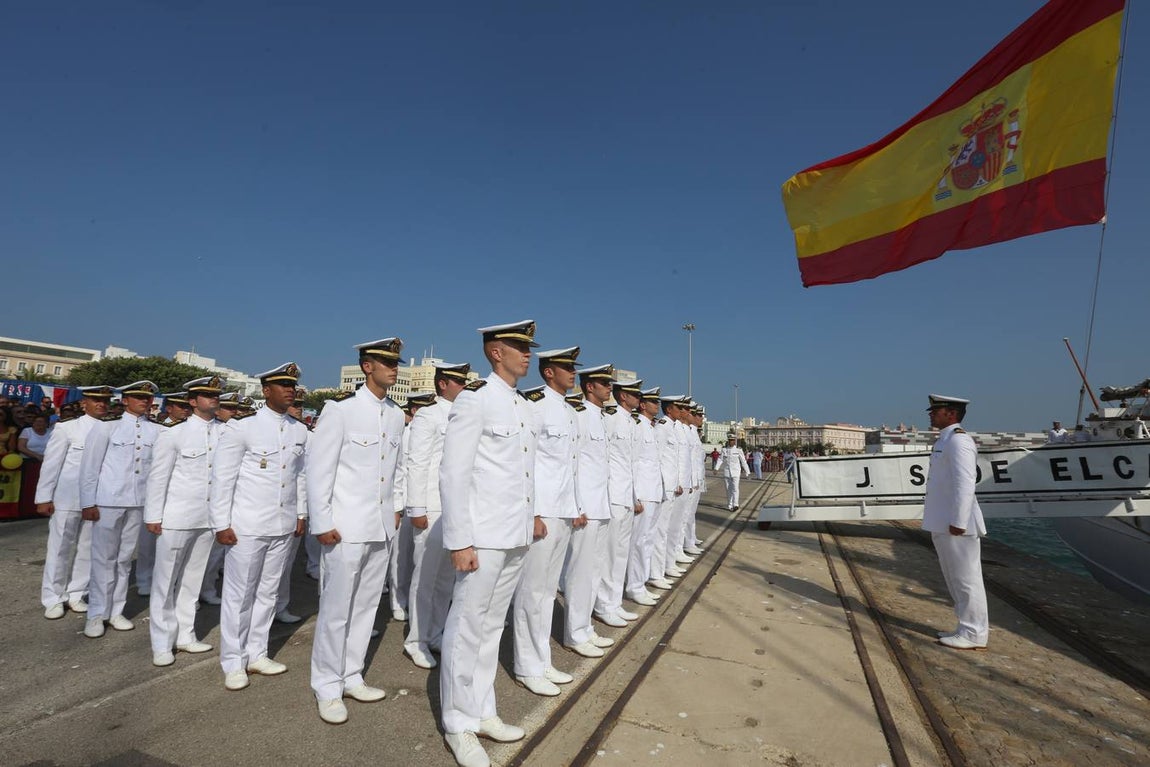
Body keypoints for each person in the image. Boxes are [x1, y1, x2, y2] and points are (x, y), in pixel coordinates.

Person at [439, 320, 539, 767]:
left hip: (513, 535)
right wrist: (460, 540)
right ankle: (458, 722)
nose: (528, 354)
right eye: (519, 347)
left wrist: (532, 518)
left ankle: (483, 710)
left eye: (528, 347)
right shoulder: (473, 403)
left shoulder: (521, 406)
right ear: (496, 352)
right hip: (482, 538)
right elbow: (454, 474)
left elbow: (522, 471)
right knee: (465, 630)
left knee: (490, 630)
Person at [307, 338, 406, 725]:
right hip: (344, 527)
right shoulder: (340, 411)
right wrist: (322, 522)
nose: (393, 368)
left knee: (365, 608)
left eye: (396, 362)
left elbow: (394, 470)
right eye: (386, 362)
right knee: (335, 611)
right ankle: (327, 686)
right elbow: (320, 471)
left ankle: (351, 674)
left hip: (379, 527)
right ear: (367, 366)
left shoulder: (396, 414)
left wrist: (395, 510)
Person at [209, 363, 309, 691]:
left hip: (282, 524)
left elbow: (301, 476)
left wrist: (301, 514)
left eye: (292, 385)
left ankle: (257, 652)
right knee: (240, 594)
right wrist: (220, 523)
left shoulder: (299, 430)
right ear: (266, 391)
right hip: (247, 525)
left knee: (268, 591)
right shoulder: (242, 428)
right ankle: (233, 660)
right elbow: (223, 479)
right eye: (283, 385)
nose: (290, 390)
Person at [511, 347, 582, 697]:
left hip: (564, 509)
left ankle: (541, 659)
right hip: (543, 512)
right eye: (566, 368)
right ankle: (526, 665)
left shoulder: (570, 411)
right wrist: (534, 512)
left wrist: (575, 507)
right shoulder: (534, 405)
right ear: (549, 372)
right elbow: (529, 464)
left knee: (547, 591)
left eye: (573, 367)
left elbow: (570, 467)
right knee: (532, 591)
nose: (573, 373)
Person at [144, 376, 225, 667]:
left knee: (193, 579)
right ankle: (162, 641)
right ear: (192, 401)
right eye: (207, 395)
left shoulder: (225, 432)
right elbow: (159, 477)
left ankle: (186, 634)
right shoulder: (173, 434)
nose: (214, 399)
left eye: (216, 394)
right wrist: (154, 515)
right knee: (165, 581)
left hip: (209, 518)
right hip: (177, 517)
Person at [78, 381, 161, 638]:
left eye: (147, 398)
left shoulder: (157, 431)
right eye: (138, 397)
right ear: (124, 400)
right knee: (103, 558)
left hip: (138, 501)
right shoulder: (107, 428)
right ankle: (96, 614)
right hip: (108, 500)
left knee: (124, 559)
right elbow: (90, 468)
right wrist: (87, 502)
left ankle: (115, 610)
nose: (144, 401)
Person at [404, 362, 471, 670]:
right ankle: (415, 639)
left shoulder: (465, 415)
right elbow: (416, 463)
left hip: (454, 509)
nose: (464, 386)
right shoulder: (429, 416)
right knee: (425, 578)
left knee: (446, 578)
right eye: (458, 381)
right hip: (430, 507)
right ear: (443, 384)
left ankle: (434, 632)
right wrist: (417, 508)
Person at [35, 386, 113, 619]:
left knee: (88, 549)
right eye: (96, 400)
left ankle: (77, 593)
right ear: (83, 404)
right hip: (67, 498)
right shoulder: (66, 428)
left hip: (97, 499)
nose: (101, 404)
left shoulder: (112, 429)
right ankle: (53, 597)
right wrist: (44, 497)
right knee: (59, 548)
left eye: (105, 401)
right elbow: (51, 464)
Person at [923, 394, 989, 651]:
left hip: (956, 524)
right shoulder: (946, 440)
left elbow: (965, 484)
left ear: (950, 413)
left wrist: (959, 522)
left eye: (935, 411)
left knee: (966, 579)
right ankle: (965, 627)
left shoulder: (959, 441)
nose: (930, 414)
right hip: (943, 522)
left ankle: (974, 633)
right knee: (954, 578)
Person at [565, 363, 616, 658]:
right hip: (586, 507)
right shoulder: (580, 416)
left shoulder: (602, 418)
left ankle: (585, 627)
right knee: (580, 572)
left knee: (594, 570)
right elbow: (573, 465)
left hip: (602, 504)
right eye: (604, 384)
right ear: (590, 388)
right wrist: (577, 505)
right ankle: (574, 632)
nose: (609, 388)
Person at [595, 377, 645, 628]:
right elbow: (604, 459)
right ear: (623, 396)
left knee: (621, 553)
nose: (639, 399)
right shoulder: (611, 417)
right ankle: (604, 604)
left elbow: (631, 464)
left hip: (625, 495)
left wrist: (634, 496)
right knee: (610, 554)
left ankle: (614, 603)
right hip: (613, 495)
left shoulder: (630, 422)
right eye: (634, 394)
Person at [625, 386, 666, 605]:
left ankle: (641, 581)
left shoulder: (651, 427)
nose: (657, 406)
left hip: (654, 491)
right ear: (643, 405)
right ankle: (634, 586)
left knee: (648, 540)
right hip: (643, 492)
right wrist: (635, 496)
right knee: (639, 542)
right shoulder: (638, 426)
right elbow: (633, 462)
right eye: (653, 402)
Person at [199, 391, 240, 604]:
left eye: (236, 408)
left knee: (215, 553)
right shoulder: (188, 429)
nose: (234, 412)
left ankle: (207, 588)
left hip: (224, 501)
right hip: (196, 501)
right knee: (192, 556)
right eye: (230, 408)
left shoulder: (229, 430)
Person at [715, 434, 750, 511]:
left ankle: (736, 504)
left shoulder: (738, 450)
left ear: (735, 441)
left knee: (735, 488)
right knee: (728, 489)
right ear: (728, 441)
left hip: (736, 472)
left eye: (732, 440)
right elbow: (720, 459)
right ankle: (730, 505)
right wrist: (716, 468)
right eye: (730, 440)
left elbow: (743, 461)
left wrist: (747, 472)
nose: (731, 442)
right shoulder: (724, 450)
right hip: (727, 472)